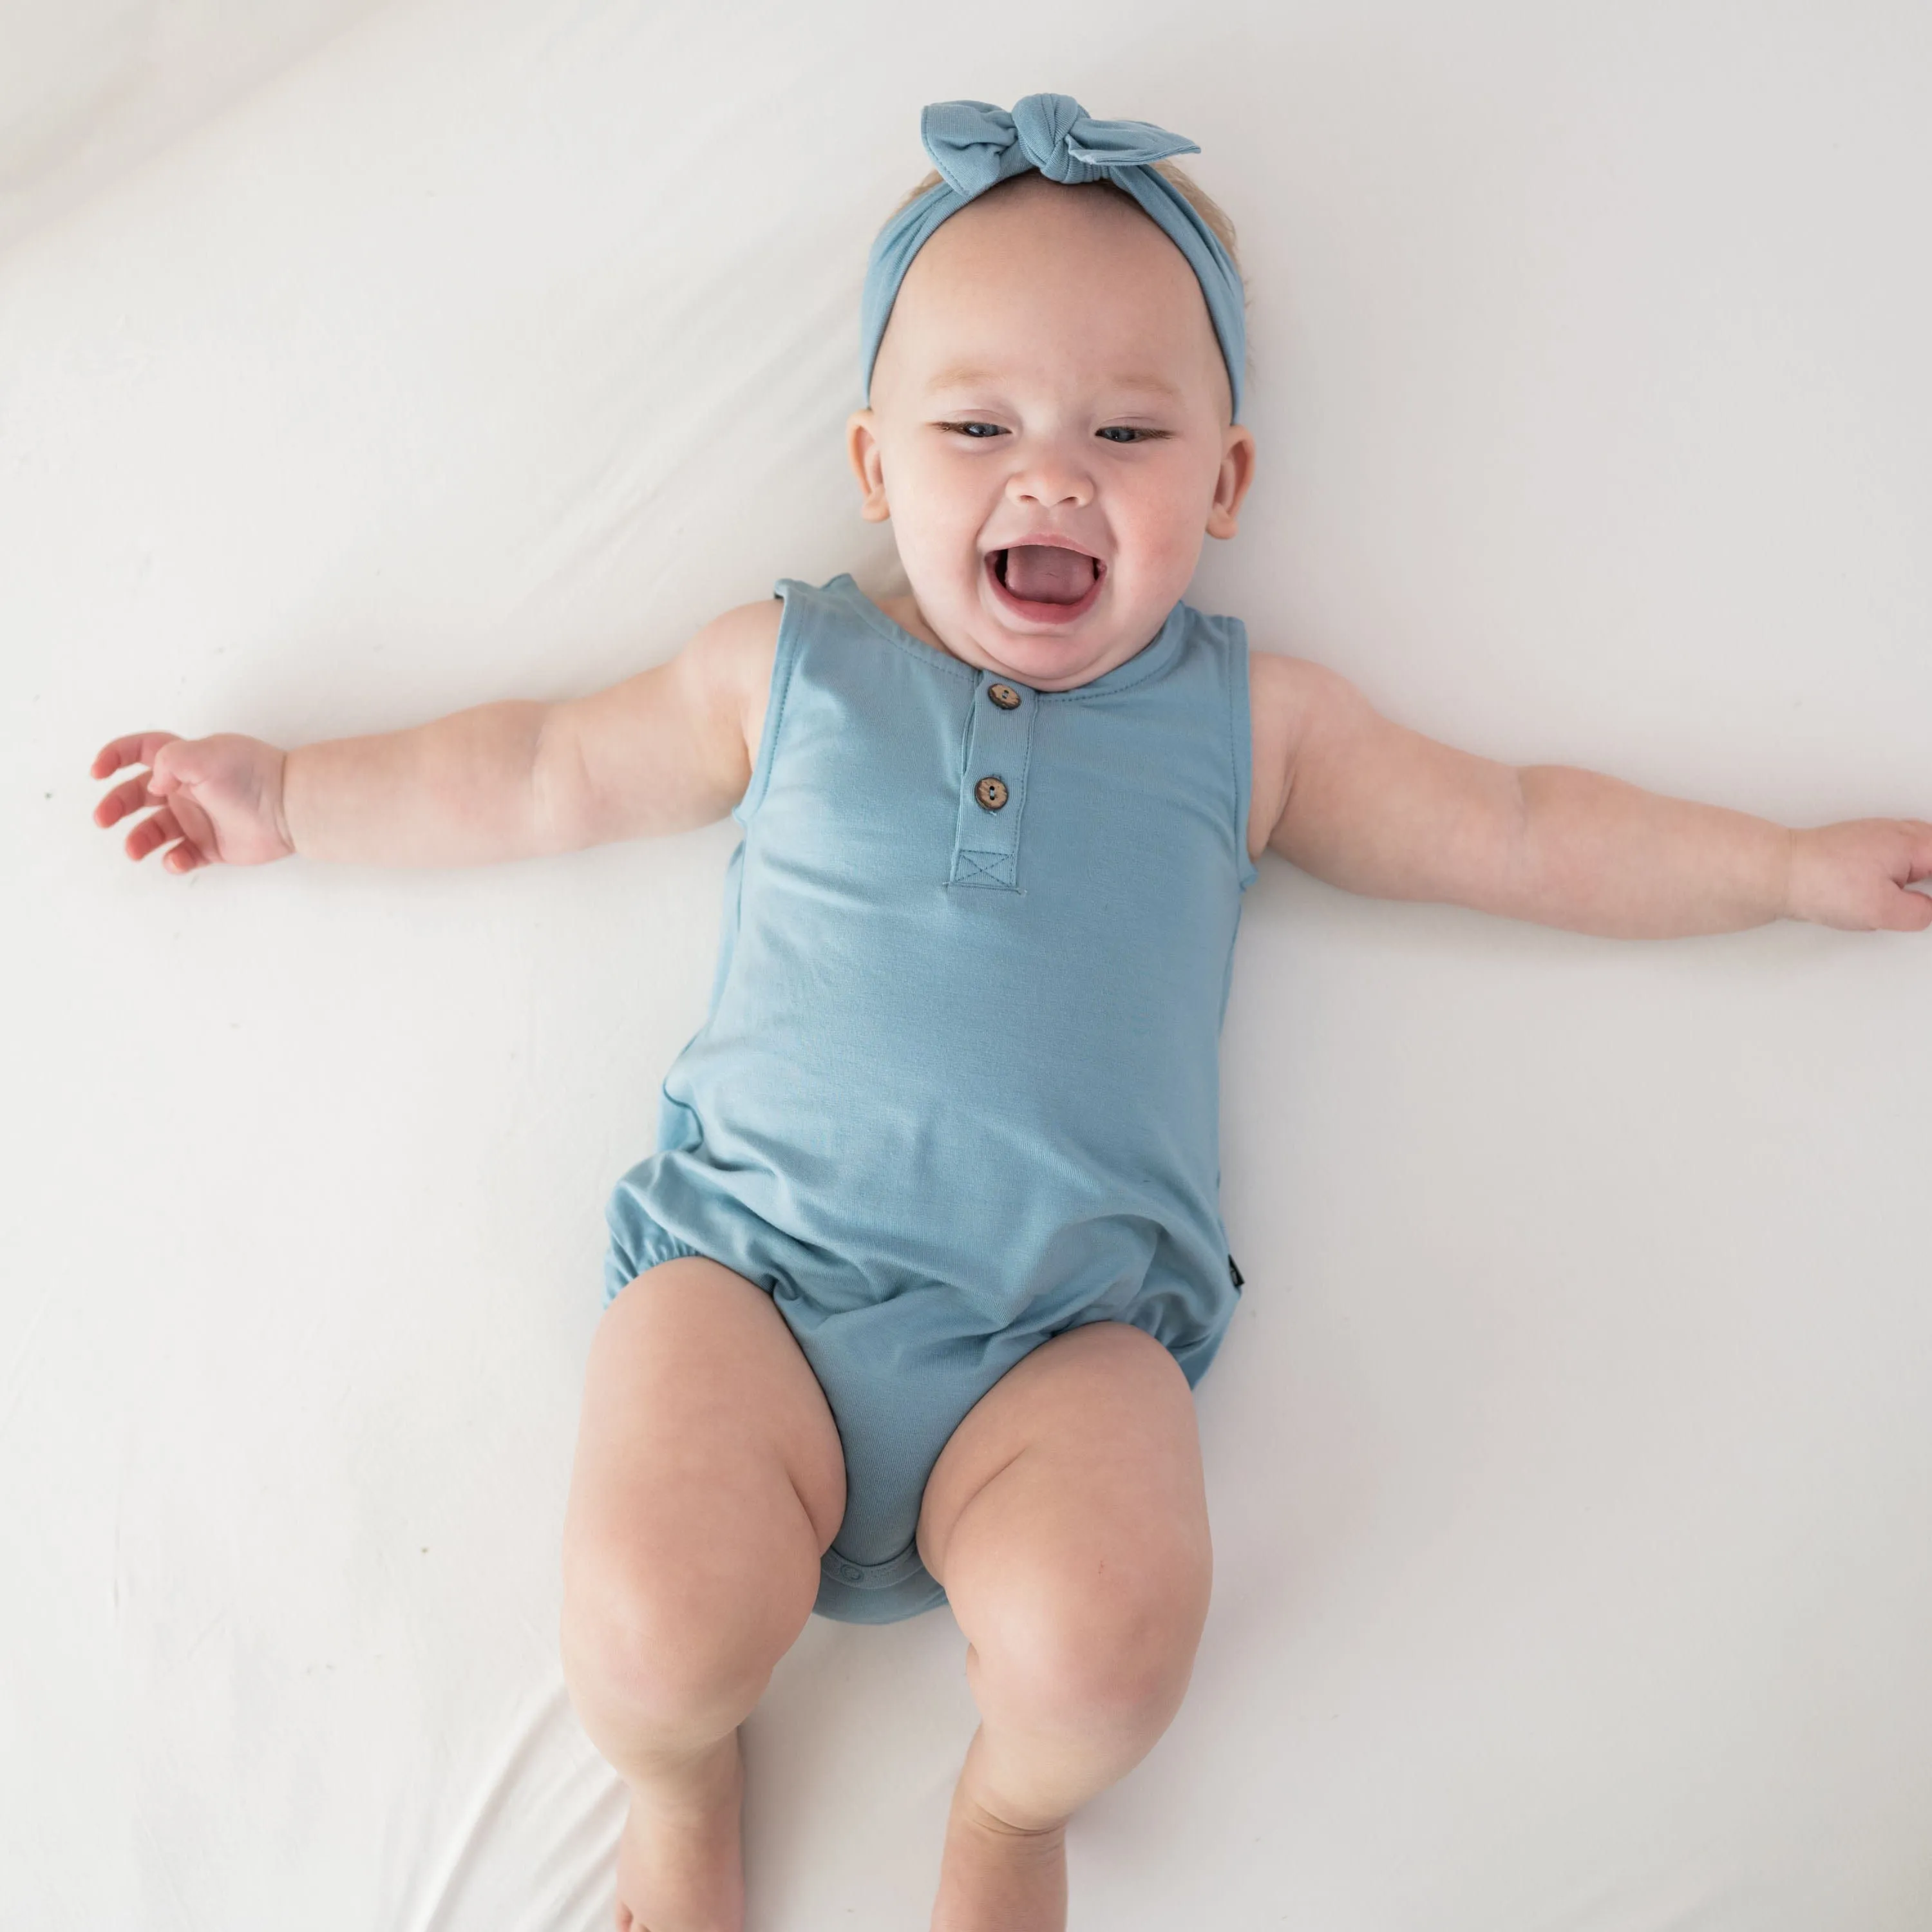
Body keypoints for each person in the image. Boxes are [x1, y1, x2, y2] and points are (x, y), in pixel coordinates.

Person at [90, 93, 1932, 1932]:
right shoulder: (796, 667)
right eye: (980, 427)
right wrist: (296, 798)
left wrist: (1779, 871)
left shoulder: (1254, 726)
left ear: (1223, 485)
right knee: (648, 1631)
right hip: (753, 1284)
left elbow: (1522, 830)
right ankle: (673, 1782)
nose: (1052, 476)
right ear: (878, 465)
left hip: (1061, 1350)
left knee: (1111, 1649)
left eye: (1127, 432)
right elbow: (545, 766)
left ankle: (1009, 1819)